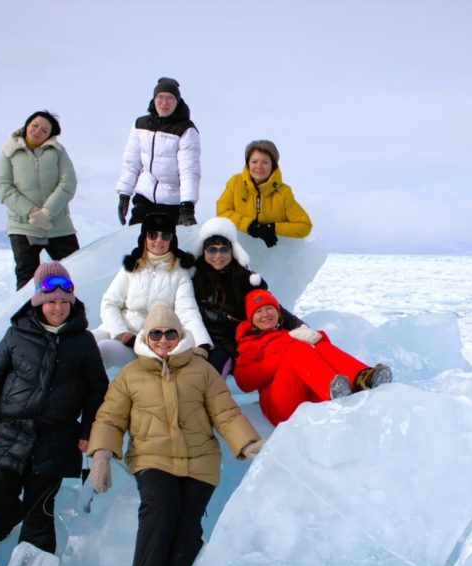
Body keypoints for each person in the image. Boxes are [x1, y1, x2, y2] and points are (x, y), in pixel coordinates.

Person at [87, 303, 264, 566]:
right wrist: (102, 454)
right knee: (159, 510)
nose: (163, 340)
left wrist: (247, 443)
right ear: (146, 336)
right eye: (156, 333)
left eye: (170, 333)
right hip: (151, 459)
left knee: (187, 527)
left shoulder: (203, 371)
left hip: (200, 462)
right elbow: (109, 418)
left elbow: (225, 412)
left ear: (180, 335)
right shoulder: (130, 375)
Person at [0, 262, 109, 554]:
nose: (58, 308)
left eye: (63, 301)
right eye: (51, 302)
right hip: (10, 429)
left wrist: (88, 431)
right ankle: (3, 520)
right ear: (38, 302)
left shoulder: (83, 341)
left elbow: (97, 390)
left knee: (40, 510)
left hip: (56, 436)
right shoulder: (16, 334)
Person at [234, 289, 392, 426]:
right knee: (298, 350)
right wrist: (282, 357)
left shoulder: (288, 333)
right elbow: (244, 382)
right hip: (280, 407)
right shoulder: (251, 342)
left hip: (307, 395)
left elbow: (321, 356)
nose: (265, 314)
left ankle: (362, 378)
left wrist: (317, 338)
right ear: (251, 318)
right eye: (258, 311)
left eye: (269, 308)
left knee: (319, 346)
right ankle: (333, 390)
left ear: (277, 312)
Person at [93, 213, 212, 368]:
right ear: (145, 238)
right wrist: (121, 332)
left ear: (172, 240)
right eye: (152, 234)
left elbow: (187, 311)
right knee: (85, 341)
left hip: (144, 342)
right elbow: (109, 303)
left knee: (103, 350)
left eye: (165, 236)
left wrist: (202, 343)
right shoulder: (133, 266)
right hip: (116, 329)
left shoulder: (179, 272)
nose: (159, 240)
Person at [191, 217, 304, 377]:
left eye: (224, 249)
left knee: (211, 376)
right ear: (203, 252)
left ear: (232, 251)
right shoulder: (194, 279)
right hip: (202, 343)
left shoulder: (245, 279)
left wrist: (300, 326)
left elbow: (270, 307)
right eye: (212, 249)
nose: (218, 255)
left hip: (231, 346)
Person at [0, 110, 79, 290]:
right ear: (27, 125)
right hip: (23, 226)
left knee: (75, 271)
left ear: (50, 135)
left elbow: (68, 182)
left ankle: (74, 314)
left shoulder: (58, 152)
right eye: (35, 125)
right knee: (26, 276)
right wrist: (31, 212)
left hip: (58, 225)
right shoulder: (9, 151)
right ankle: (27, 317)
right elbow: (3, 186)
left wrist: (47, 212)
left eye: (44, 130)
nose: (37, 131)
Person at [116, 77, 201, 228]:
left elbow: (189, 171)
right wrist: (124, 194)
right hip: (145, 197)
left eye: (170, 98)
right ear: (154, 99)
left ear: (177, 101)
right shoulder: (140, 125)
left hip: (174, 202)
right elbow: (131, 163)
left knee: (168, 247)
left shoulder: (186, 130)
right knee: (138, 244)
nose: (164, 102)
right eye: (160, 97)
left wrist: (187, 206)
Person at [216, 139, 312, 248]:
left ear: (273, 165)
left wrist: (272, 228)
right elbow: (222, 212)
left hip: (269, 257)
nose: (259, 166)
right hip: (238, 253)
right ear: (248, 163)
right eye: (254, 161)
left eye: (265, 162)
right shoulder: (235, 183)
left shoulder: (284, 192)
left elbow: (304, 225)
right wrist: (252, 226)